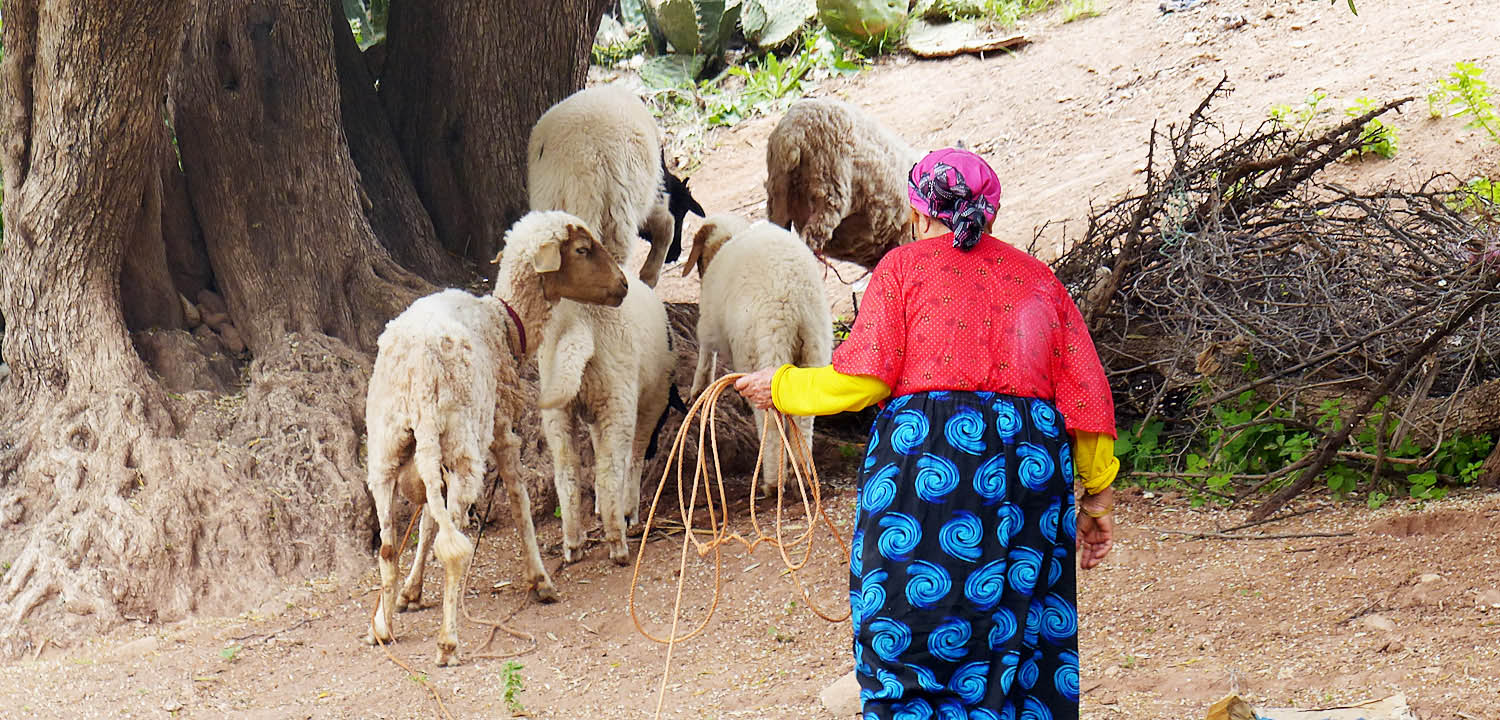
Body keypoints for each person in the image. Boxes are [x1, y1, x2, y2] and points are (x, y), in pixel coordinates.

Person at [734, 148, 1118, 720]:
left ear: (916, 213)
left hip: (929, 464)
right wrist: (1098, 496)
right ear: (990, 213)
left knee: (909, 621)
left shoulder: (904, 269)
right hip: (1027, 471)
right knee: (1017, 630)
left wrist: (782, 386)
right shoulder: (1039, 280)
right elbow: (1085, 397)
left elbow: (861, 378)